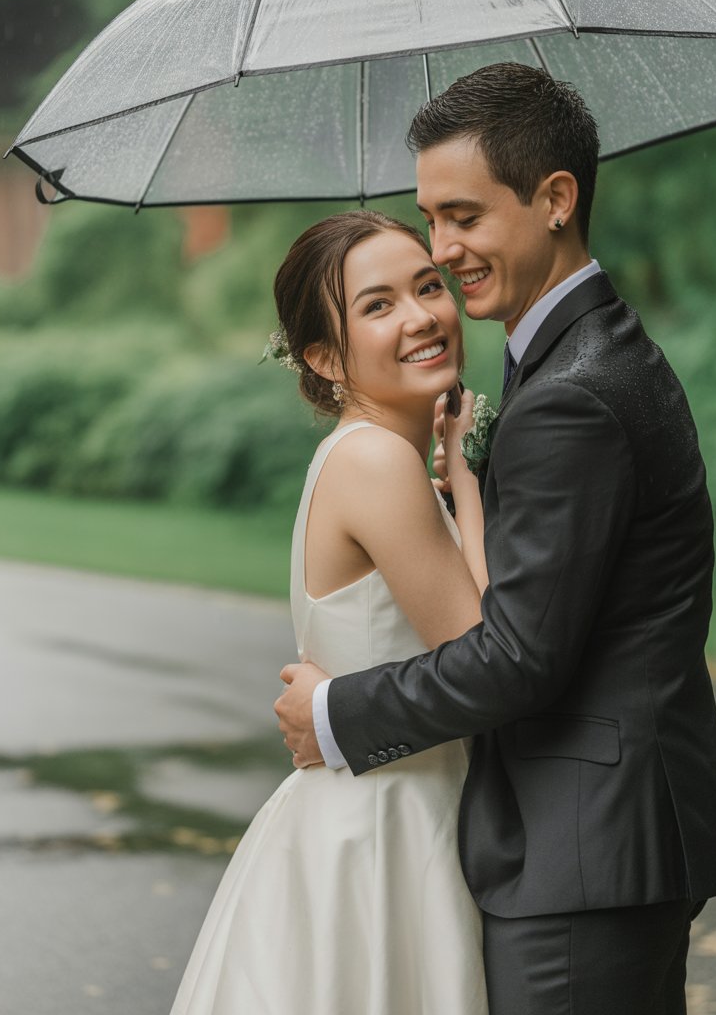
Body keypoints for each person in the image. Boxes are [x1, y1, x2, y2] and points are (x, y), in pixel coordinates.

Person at [275, 63, 716, 1015]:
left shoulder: (569, 391)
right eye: (431, 219)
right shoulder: (588, 355)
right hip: (601, 838)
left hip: (584, 847)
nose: (444, 249)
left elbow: (516, 658)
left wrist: (335, 715)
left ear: (556, 199)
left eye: (462, 217)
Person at [168, 210, 490, 1015]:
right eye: (377, 306)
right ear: (324, 356)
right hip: (388, 829)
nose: (421, 316)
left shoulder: (369, 457)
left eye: (428, 286)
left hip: (376, 805)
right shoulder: (378, 460)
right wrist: (472, 479)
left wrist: (450, 474)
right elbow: (488, 652)